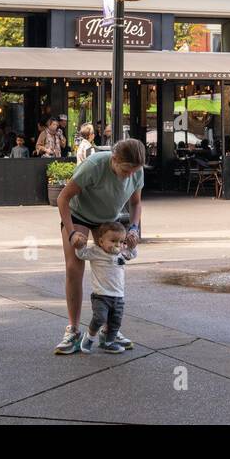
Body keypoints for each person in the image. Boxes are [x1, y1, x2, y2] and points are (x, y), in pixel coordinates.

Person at [54, 139, 145, 355]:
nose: (130, 175)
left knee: (111, 268)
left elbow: (135, 203)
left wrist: (133, 228)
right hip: (79, 215)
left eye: (135, 170)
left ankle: (109, 331)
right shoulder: (95, 165)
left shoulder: (137, 171)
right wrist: (72, 232)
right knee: (74, 269)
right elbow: (62, 198)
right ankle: (73, 331)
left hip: (107, 221)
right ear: (114, 160)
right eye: (125, 170)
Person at [76, 221, 131, 353]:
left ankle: (109, 342)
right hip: (101, 295)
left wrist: (132, 246)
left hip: (118, 295)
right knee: (99, 317)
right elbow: (81, 254)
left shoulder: (122, 253)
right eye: (113, 241)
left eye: (121, 241)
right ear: (101, 241)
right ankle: (89, 337)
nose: (117, 244)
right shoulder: (96, 252)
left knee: (115, 322)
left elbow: (132, 254)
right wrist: (79, 245)